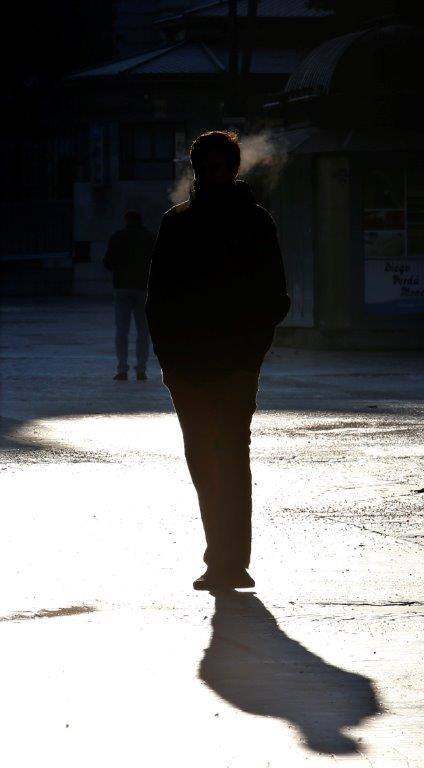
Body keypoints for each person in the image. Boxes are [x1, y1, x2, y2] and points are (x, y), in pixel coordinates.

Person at [146, 131, 290, 591]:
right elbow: (158, 298)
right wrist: (170, 360)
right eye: (205, 166)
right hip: (191, 367)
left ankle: (228, 562)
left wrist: (250, 356)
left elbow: (274, 297)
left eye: (219, 166)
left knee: (225, 459)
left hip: (229, 365)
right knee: (209, 463)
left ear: (232, 168)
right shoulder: (180, 223)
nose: (212, 175)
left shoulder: (251, 223)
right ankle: (222, 560)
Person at [103, 210, 156, 380]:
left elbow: (108, 262)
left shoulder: (118, 237)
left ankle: (122, 369)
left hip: (122, 287)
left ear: (126, 220)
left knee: (122, 330)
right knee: (143, 331)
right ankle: (141, 369)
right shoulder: (150, 237)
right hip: (143, 288)